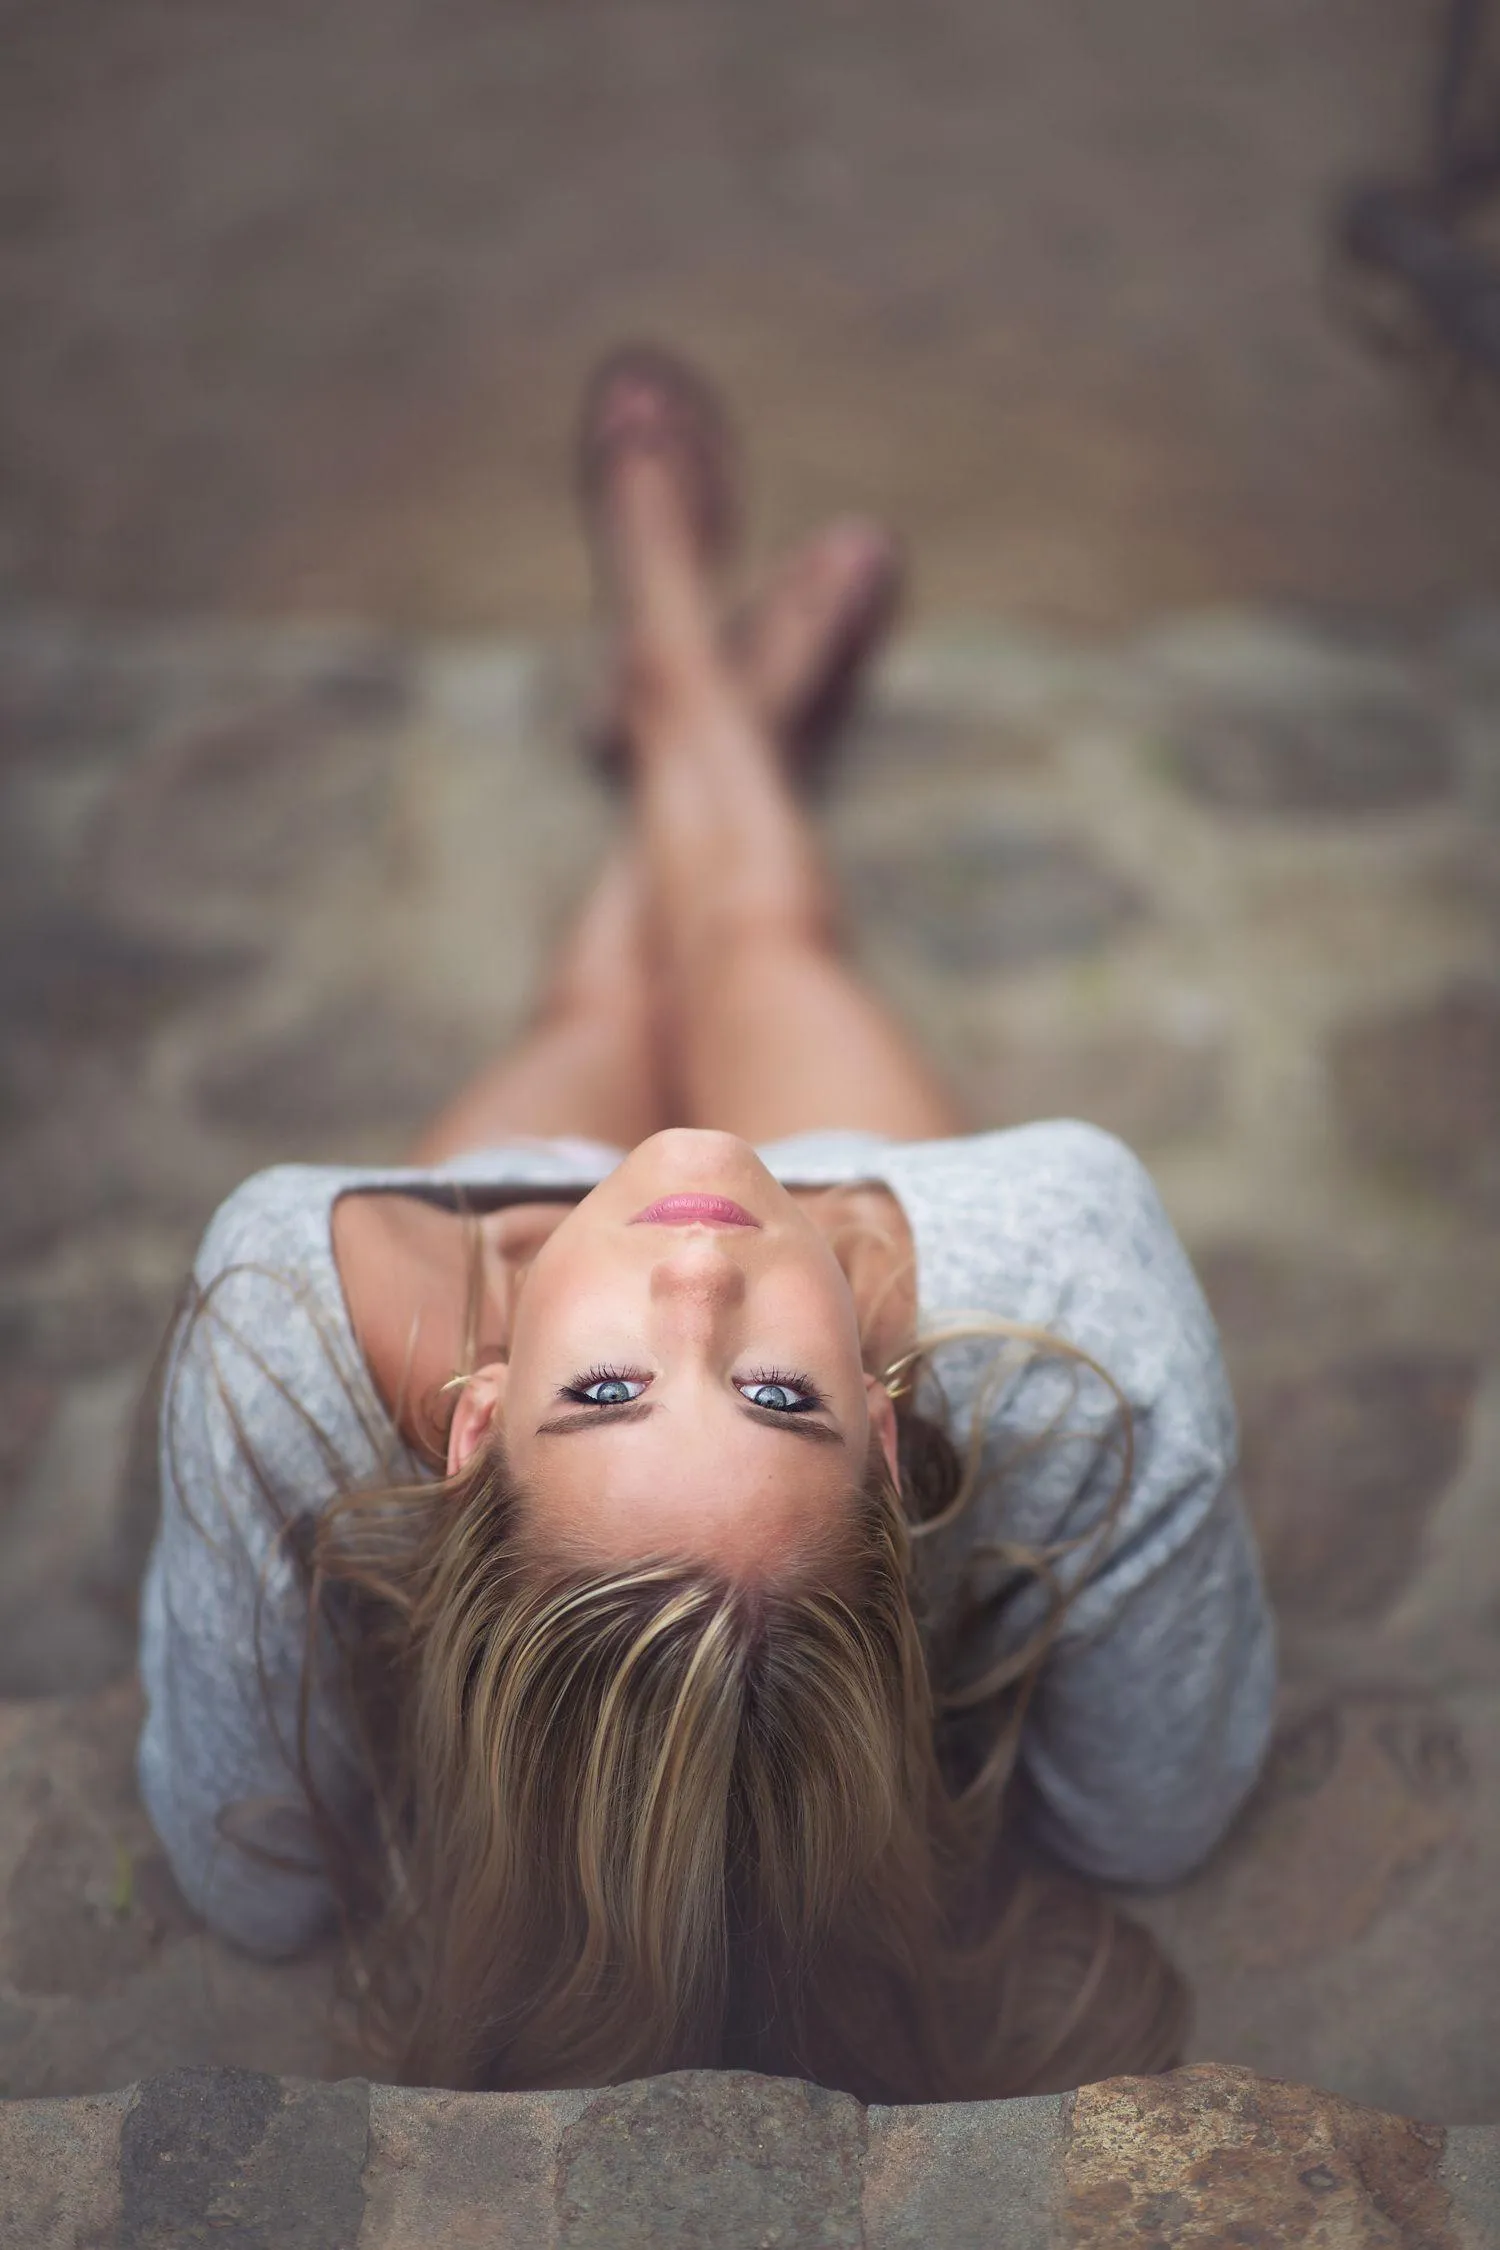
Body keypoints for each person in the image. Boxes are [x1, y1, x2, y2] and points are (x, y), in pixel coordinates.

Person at [137, 347, 1275, 2104]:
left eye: (599, 1396)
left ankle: (681, 655)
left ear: (465, 1428)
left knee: (605, 985)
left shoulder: (287, 1321)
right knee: (758, 941)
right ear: (893, 1441)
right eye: (777, 1399)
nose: (692, 1274)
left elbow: (254, 1871)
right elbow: (1158, 1810)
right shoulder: (1067, 1278)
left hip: (480, 1235)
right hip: (858, 1191)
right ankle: (706, 679)